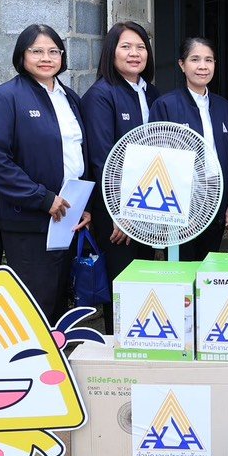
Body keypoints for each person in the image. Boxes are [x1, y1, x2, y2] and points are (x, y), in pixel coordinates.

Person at [0, 24, 92, 324]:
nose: (46, 58)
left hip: (68, 216)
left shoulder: (70, 98)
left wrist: (84, 206)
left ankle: (56, 362)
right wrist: (42, 198)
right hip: (28, 219)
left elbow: (81, 153)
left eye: (54, 51)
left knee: (59, 296)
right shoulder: (3, 98)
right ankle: (32, 363)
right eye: (37, 51)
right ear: (22, 55)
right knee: (33, 299)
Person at [82, 22, 162, 297]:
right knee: (121, 282)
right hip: (116, 209)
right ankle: (116, 339)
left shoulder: (151, 93)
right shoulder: (100, 95)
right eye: (126, 46)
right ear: (111, 52)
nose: (134, 53)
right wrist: (120, 214)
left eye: (141, 47)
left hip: (150, 203)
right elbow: (102, 159)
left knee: (143, 278)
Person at [150, 37, 228, 261]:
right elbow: (155, 159)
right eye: (195, 59)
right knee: (182, 265)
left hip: (216, 198)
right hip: (180, 203)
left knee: (208, 265)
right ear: (182, 65)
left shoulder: (223, 106)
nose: (203, 66)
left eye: (208, 60)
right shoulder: (166, 105)